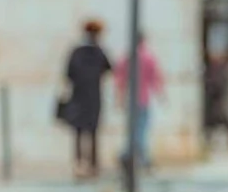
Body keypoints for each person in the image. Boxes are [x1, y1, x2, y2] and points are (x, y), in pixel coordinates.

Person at [61, 21, 112, 179]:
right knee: (93, 132)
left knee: (79, 132)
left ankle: (80, 164)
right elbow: (109, 69)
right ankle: (92, 165)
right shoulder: (99, 52)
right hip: (93, 98)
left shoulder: (76, 52)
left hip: (79, 96)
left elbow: (68, 74)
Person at [113, 32, 165, 171]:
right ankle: (141, 157)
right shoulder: (148, 58)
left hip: (131, 98)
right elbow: (155, 78)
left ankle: (128, 154)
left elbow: (120, 80)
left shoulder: (127, 58)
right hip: (143, 98)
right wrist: (161, 95)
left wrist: (119, 98)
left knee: (133, 129)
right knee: (141, 129)